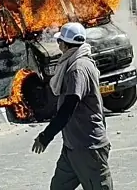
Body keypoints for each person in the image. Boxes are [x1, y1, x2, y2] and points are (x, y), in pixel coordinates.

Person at [32, 22, 112, 190]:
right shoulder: (76, 62)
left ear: (65, 44)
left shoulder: (78, 68)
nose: (58, 44)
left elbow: (69, 107)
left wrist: (46, 136)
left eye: (59, 41)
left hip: (88, 148)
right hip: (72, 147)